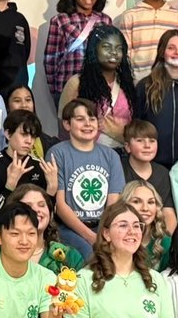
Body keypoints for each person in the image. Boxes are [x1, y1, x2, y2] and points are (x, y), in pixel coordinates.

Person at [47, 99, 125, 257]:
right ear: (67, 124)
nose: (88, 124)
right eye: (80, 119)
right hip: (69, 228)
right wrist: (91, 237)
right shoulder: (57, 153)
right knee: (90, 255)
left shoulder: (111, 156)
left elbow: (113, 203)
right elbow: (60, 206)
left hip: (103, 226)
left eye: (92, 119)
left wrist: (105, 234)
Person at [58, 24, 137, 151]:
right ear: (94, 49)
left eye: (119, 48)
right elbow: (63, 127)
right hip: (86, 156)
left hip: (122, 156)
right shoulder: (76, 83)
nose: (113, 53)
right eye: (107, 47)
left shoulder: (127, 84)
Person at [135, 28, 178, 165]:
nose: (177, 52)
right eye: (171, 48)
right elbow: (137, 126)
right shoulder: (145, 86)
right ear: (162, 52)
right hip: (153, 164)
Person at [43, 0, 111, 106]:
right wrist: (56, 92)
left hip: (98, 90)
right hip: (68, 88)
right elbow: (50, 60)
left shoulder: (105, 21)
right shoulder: (60, 20)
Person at [0, 109, 57, 213]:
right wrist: (10, 185)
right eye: (24, 134)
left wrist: (51, 190)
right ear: (8, 134)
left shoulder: (39, 166)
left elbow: (47, 216)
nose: (29, 141)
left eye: (33, 136)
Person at [120, 119, 178, 231]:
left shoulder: (162, 173)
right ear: (127, 147)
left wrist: (168, 241)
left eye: (152, 141)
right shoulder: (119, 169)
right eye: (140, 141)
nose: (147, 146)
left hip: (155, 232)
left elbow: (168, 212)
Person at [122, 179, 172, 271]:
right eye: (136, 201)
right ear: (124, 205)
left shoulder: (166, 243)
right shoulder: (115, 240)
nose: (145, 208)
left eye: (151, 202)